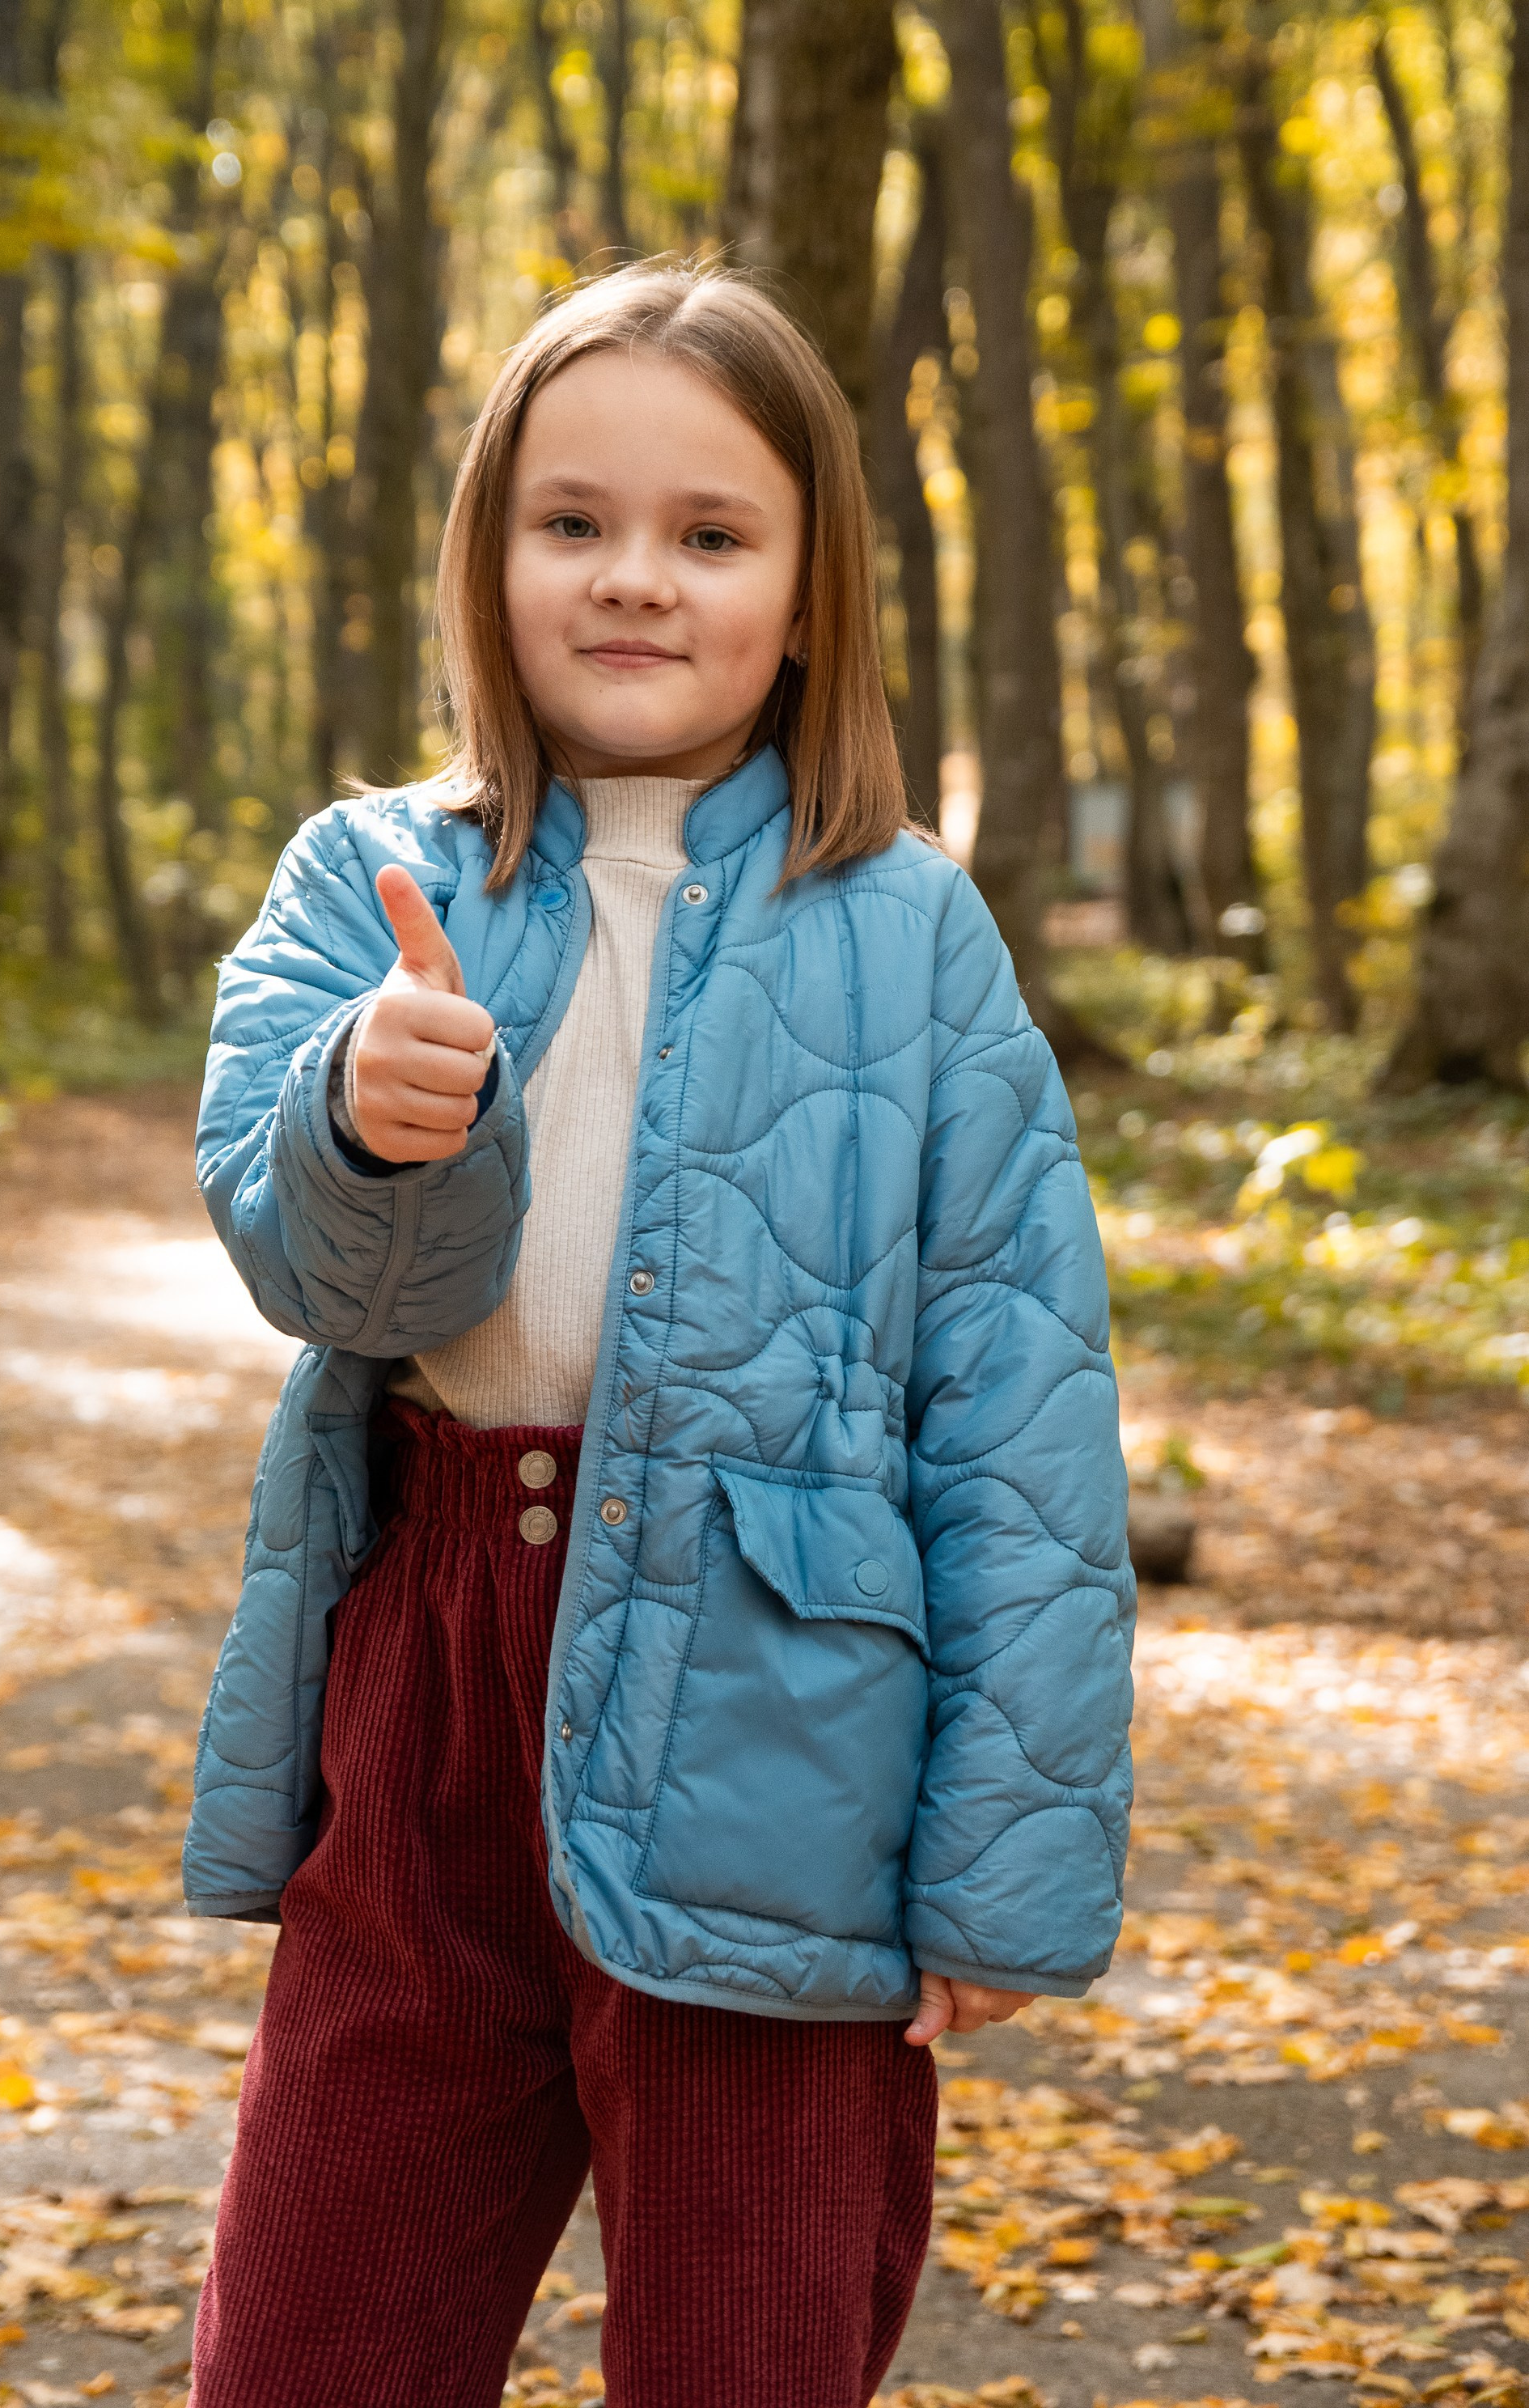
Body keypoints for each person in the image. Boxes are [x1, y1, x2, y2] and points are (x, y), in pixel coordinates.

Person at [184, 261, 1133, 2408]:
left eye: (710, 535)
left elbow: (1020, 1410)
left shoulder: (905, 923)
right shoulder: (371, 877)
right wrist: (369, 1124)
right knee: (316, 2333)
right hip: (424, 1685)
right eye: (573, 523)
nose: (635, 581)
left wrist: (1007, 1858)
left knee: (753, 2344)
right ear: (489, 557)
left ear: (809, 595)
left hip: (789, 1710)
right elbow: (320, 1280)